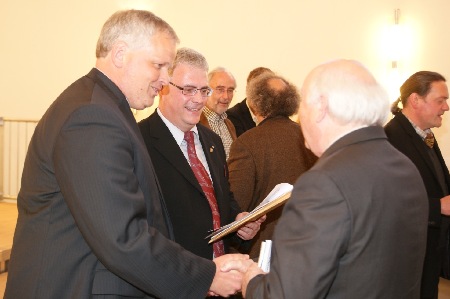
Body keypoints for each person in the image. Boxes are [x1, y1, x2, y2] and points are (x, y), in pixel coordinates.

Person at [5, 10, 251, 299]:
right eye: (158, 65)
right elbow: (121, 236)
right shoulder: (93, 115)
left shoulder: (104, 106)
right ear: (120, 53)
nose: (164, 79)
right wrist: (206, 276)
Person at [241, 59, 429, 298]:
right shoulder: (405, 167)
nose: (300, 120)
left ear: (321, 107)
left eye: (303, 109)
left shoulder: (323, 183)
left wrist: (253, 281)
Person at [138, 48, 264, 263]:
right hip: (176, 278)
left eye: (204, 90)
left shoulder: (212, 140)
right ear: (163, 87)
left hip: (220, 275)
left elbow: (222, 199)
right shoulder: (140, 141)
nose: (198, 100)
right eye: (188, 90)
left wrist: (238, 219)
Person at [227, 72, 317, 258]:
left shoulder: (246, 143)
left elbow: (235, 204)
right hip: (306, 244)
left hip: (261, 252)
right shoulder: (310, 138)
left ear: (254, 103)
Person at [384, 71, 450, 299]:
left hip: (429, 254)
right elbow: (386, 200)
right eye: (440, 100)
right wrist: (437, 207)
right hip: (406, 258)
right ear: (415, 100)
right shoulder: (390, 137)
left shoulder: (426, 135)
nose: (446, 107)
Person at [199, 67, 238, 159]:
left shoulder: (229, 124)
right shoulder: (195, 122)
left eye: (230, 90)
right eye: (220, 90)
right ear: (206, 91)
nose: (226, 96)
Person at [227, 67, 273, 136]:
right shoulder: (232, 117)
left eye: (269, 91)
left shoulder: (277, 114)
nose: (264, 96)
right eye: (259, 91)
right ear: (248, 90)